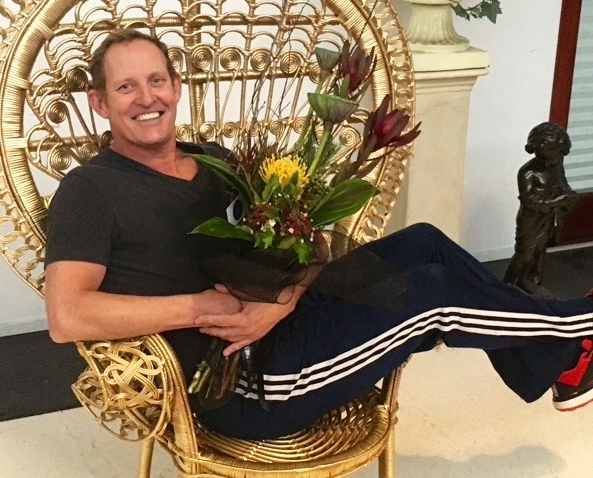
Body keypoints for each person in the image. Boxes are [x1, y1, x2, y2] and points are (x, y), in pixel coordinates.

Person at [45, 29, 593, 441]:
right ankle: (579, 328)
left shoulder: (217, 161)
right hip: (244, 383)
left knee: (424, 241)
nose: (147, 98)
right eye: (126, 87)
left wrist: (282, 300)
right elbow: (68, 316)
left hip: (289, 321)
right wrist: (199, 308)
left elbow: (305, 246)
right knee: (431, 295)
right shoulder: (90, 189)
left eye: (156, 80)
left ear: (176, 87)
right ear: (100, 102)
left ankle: (563, 362)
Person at [503, 122, 579, 297]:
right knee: (525, 253)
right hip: (531, 219)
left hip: (550, 216)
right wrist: (558, 199)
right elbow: (528, 201)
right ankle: (506, 285)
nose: (554, 161)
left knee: (540, 250)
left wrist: (568, 196)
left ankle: (531, 281)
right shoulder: (527, 172)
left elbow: (563, 185)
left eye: (557, 156)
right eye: (544, 157)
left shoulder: (557, 165)